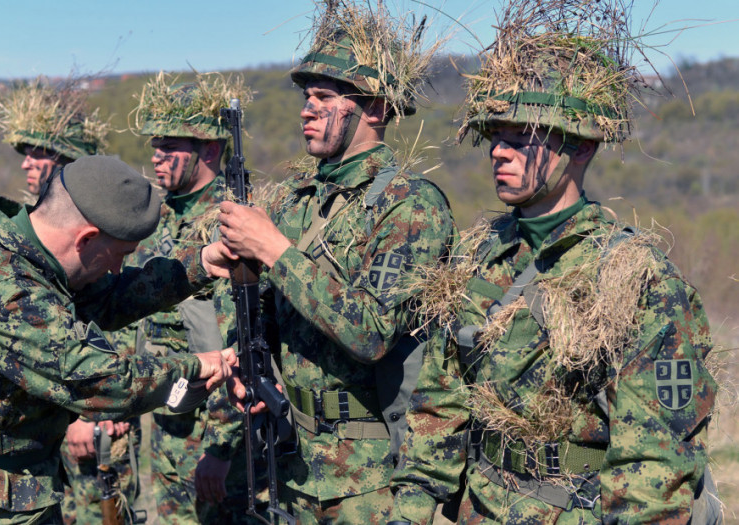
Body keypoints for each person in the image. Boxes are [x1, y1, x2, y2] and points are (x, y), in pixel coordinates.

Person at [390, 0, 721, 523]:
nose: (500, 153)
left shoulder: (635, 278)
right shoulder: (478, 254)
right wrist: (408, 510)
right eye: (495, 138)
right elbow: (438, 407)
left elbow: (653, 469)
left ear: (581, 148)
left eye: (523, 139)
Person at [216, 2, 455, 522]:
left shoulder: (409, 205)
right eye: (305, 97)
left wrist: (275, 251)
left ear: (373, 108)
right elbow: (255, 315)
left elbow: (371, 330)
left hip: (370, 482)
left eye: (324, 97)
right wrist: (244, 360)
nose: (306, 109)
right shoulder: (291, 203)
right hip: (289, 461)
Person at [0, 155, 238, 524]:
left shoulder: (16, 245)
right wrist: (198, 366)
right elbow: (106, 385)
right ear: (86, 239)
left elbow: (105, 298)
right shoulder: (8, 297)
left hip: (1, 486)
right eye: (118, 255)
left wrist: (201, 264)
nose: (116, 268)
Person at [0, 78, 138, 524]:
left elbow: (117, 326)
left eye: (40, 153)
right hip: (52, 419)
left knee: (103, 512)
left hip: (99, 412)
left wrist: (89, 415)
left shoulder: (103, 231)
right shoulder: (36, 231)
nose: (27, 164)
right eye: (25, 154)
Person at [127, 72, 261, 524]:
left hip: (212, 442)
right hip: (167, 429)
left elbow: (240, 340)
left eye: (170, 146)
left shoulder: (231, 223)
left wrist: (223, 446)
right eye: (155, 144)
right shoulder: (160, 217)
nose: (156, 156)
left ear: (208, 150)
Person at [0, 77, 108, 196]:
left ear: (69, 162)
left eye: (37, 155)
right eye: (28, 155)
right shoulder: (31, 214)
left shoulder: (90, 214)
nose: (25, 165)